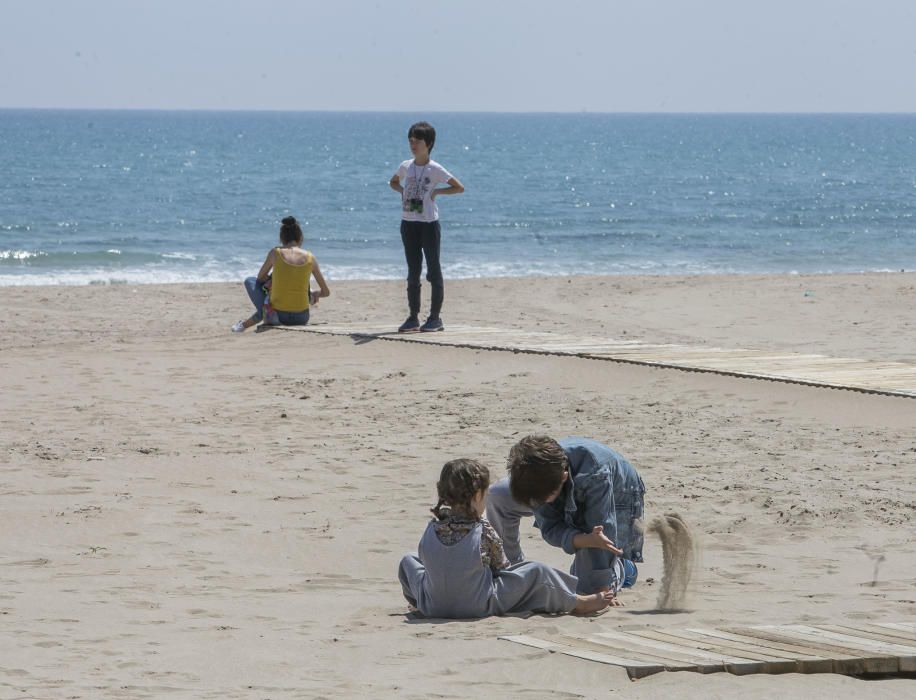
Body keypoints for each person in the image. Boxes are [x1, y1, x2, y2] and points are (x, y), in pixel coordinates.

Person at [398, 458, 615, 619]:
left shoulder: (431, 529)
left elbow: (428, 562)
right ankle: (577, 602)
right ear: (476, 497)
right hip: (478, 604)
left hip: (432, 604)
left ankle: (417, 602)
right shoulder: (483, 530)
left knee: (408, 560)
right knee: (535, 572)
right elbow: (501, 567)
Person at [487, 436, 645, 598]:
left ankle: (623, 568)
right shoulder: (533, 474)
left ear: (563, 477)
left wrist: (602, 586)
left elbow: (603, 530)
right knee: (498, 495)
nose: (536, 506)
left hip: (620, 494)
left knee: (588, 590)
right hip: (554, 485)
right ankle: (509, 568)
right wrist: (582, 539)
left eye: (541, 501)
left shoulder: (595, 477)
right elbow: (550, 528)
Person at [388, 121, 464, 334]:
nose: (413, 144)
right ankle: (413, 318)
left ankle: (435, 318)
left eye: (417, 141)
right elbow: (392, 182)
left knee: (433, 270)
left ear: (428, 143)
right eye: (410, 140)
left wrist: (438, 192)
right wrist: (402, 191)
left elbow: (459, 187)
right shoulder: (406, 166)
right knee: (413, 272)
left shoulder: (435, 169)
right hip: (408, 223)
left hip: (429, 225)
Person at [231, 216, 330, 332]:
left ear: (282, 238)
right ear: (300, 237)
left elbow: (260, 278)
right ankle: (248, 322)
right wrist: (314, 294)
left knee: (251, 281)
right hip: (302, 318)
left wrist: (273, 281)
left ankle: (255, 318)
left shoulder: (275, 253)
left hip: (278, 316)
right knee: (302, 286)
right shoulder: (310, 257)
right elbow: (326, 292)